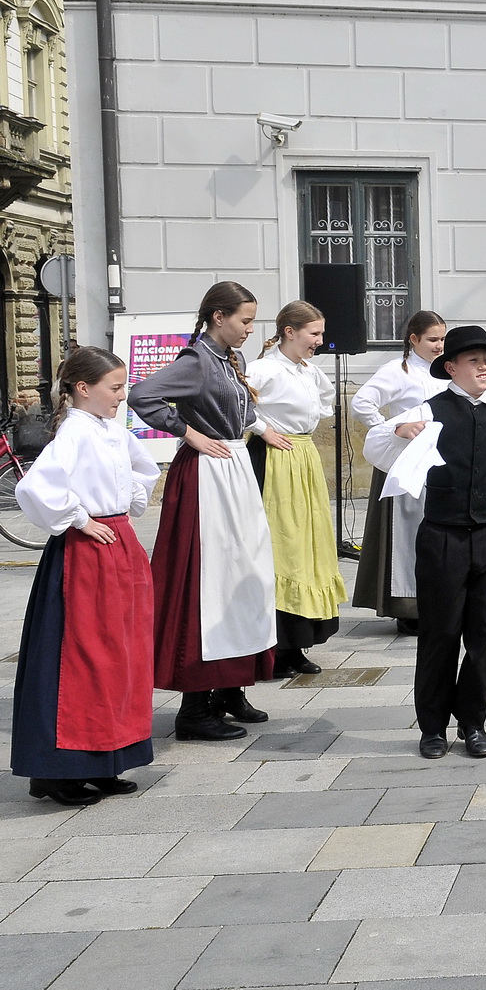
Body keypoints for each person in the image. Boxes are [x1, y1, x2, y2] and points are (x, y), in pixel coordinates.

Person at [368, 325, 486, 759]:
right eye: (474, 361)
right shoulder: (427, 410)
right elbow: (374, 445)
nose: (484, 368)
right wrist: (399, 431)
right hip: (442, 537)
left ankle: (473, 722)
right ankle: (432, 727)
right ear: (451, 368)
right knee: (440, 633)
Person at [129, 281, 289, 741]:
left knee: (244, 577)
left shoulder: (231, 359)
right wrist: (188, 432)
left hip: (232, 470)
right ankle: (195, 707)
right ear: (219, 317)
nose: (250, 329)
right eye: (244, 320)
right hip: (206, 478)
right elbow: (142, 395)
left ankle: (229, 688)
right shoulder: (197, 360)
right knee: (209, 582)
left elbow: (238, 409)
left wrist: (259, 427)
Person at [12, 348, 160, 807]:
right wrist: (80, 517)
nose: (122, 396)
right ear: (83, 388)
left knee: (120, 655)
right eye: (114, 388)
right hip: (86, 554)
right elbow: (35, 486)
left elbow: (144, 469)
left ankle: (105, 759)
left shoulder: (111, 430)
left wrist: (125, 504)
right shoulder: (74, 431)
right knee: (83, 657)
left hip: (117, 544)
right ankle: (59, 770)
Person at [247, 302, 347, 679]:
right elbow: (237, 403)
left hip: (302, 455)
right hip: (275, 458)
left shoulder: (309, 371)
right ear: (289, 332)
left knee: (307, 545)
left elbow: (322, 408)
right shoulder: (264, 369)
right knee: (283, 547)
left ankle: (297, 644)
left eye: (321, 333)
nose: (320, 341)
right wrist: (263, 430)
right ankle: (275, 648)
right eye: (314, 333)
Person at [351, 310, 448, 634]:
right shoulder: (397, 371)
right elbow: (362, 403)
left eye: (442, 339)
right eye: (433, 339)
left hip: (437, 462)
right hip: (405, 462)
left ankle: (436, 601)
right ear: (414, 339)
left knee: (435, 534)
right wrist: (391, 430)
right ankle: (408, 608)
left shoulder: (446, 371)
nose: (439, 345)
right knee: (407, 535)